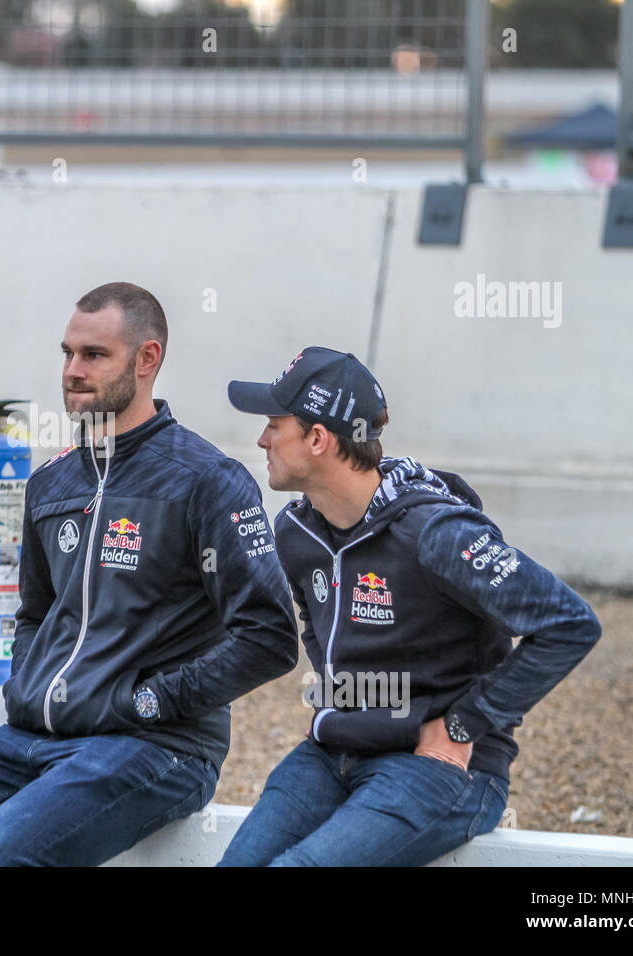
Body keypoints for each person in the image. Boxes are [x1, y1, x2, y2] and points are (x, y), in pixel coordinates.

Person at [0, 282, 299, 867]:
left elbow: (268, 638)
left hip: (157, 745)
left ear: (147, 360)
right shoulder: (51, 483)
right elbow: (34, 614)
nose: (72, 371)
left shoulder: (207, 480)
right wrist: (27, 686)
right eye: (67, 353)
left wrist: (153, 700)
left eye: (94, 355)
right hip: (34, 735)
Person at [219, 346, 602, 866]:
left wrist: (464, 724)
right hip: (332, 753)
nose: (261, 438)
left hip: (442, 769)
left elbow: (569, 624)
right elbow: (316, 621)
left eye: (273, 423)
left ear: (317, 439)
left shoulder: (437, 532)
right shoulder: (296, 531)